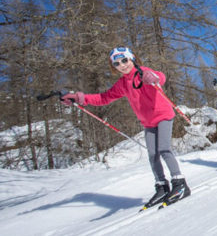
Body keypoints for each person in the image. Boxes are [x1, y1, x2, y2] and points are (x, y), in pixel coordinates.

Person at [60, 47, 190, 209]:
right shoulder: (122, 83)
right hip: (148, 122)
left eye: (124, 60)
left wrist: (153, 77)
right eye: (117, 63)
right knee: (152, 154)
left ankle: (180, 183)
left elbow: (160, 78)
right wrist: (80, 98)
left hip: (163, 115)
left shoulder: (143, 72)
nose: (122, 65)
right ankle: (162, 186)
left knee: (164, 149)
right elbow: (104, 98)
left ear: (132, 59)